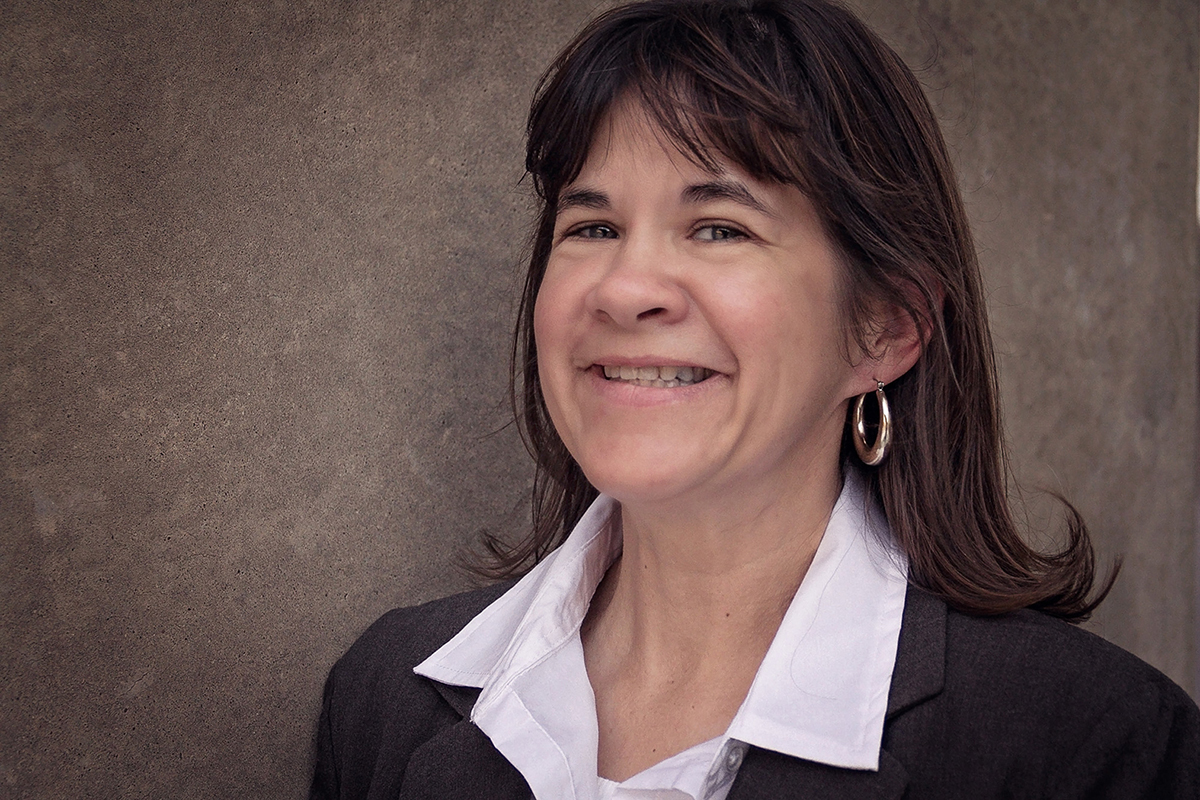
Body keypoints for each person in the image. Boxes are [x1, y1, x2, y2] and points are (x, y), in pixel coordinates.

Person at [309, 1, 1200, 798]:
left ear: (884, 328)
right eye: (594, 226)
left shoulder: (1099, 747)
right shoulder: (384, 698)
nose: (625, 290)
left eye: (719, 227)